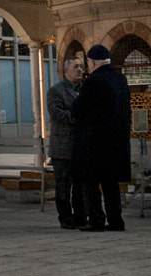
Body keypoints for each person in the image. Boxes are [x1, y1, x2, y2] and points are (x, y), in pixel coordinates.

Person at [73, 43, 132, 231]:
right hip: (117, 141)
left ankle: (96, 220)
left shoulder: (94, 81)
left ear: (92, 62)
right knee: (110, 183)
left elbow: (79, 108)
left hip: (95, 142)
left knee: (91, 182)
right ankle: (116, 221)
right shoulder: (120, 79)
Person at [46, 55, 86, 228]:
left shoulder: (83, 90)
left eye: (82, 67)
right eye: (76, 66)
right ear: (66, 70)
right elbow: (57, 114)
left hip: (80, 147)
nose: (80, 70)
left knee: (80, 185)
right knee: (63, 186)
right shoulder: (57, 91)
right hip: (63, 148)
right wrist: (80, 117)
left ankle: (80, 216)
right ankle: (65, 217)